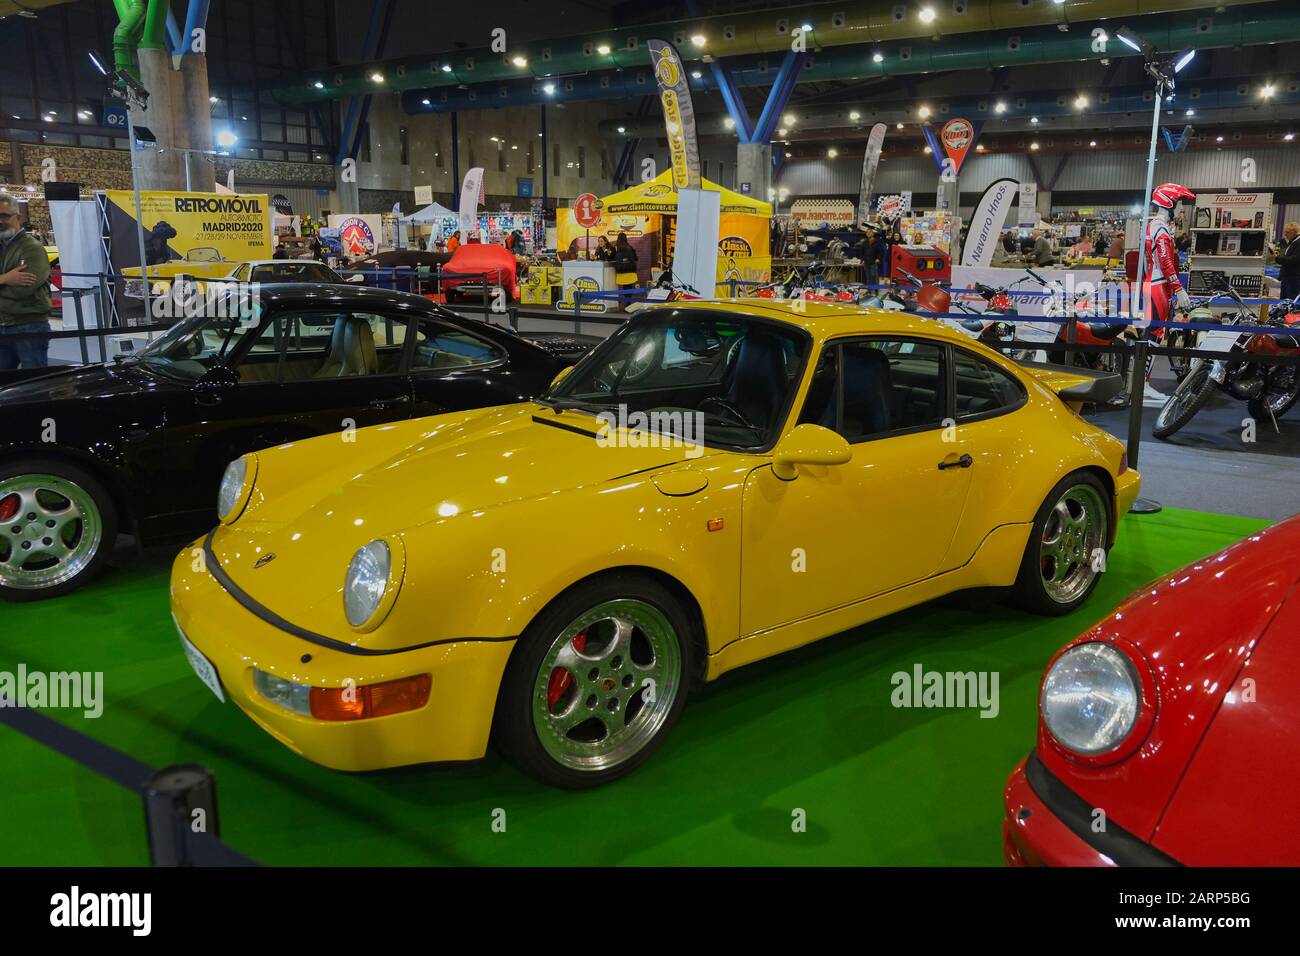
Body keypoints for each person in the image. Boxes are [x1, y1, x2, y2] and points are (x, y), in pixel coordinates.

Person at [0, 192, 52, 370]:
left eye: (4, 216)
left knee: (34, 385)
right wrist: (6, 278)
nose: (0, 221)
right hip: (3, 325)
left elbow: (22, 290)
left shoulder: (32, 248)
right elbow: (12, 287)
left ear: (18, 217)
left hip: (29, 326)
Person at [1274, 221, 1300, 303]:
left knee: (1291, 303)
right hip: (1288, 278)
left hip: (1293, 279)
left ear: (1294, 232)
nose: (1285, 234)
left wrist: (1279, 258)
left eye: (1287, 232)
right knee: (1284, 303)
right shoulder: (1292, 242)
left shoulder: (1298, 243)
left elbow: (1294, 259)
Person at [612, 233, 638, 305]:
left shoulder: (617, 248)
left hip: (621, 271)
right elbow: (636, 258)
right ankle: (628, 302)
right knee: (629, 287)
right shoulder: (630, 248)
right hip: (631, 270)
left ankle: (627, 302)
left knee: (625, 288)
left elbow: (613, 258)